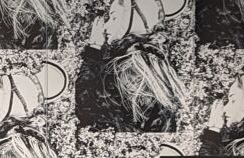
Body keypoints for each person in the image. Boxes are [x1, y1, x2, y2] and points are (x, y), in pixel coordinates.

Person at [75, 0, 188, 132]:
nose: (106, 26)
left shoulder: (131, 67)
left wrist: (93, 50)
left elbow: (86, 107)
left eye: (115, 17)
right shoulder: (142, 59)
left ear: (137, 21)